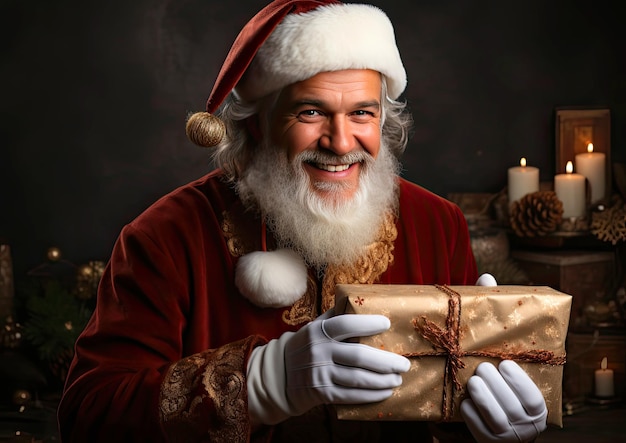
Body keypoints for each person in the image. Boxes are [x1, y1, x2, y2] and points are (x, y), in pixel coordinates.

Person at [58, 1, 548, 442]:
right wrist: (261, 384)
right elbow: (89, 415)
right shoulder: (163, 236)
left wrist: (492, 426)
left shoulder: (438, 223)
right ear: (255, 124)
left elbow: (452, 409)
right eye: (310, 112)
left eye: (362, 112)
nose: (340, 142)